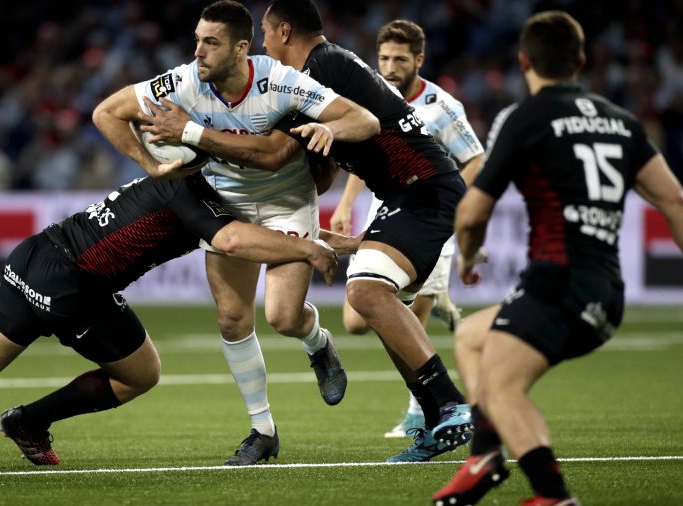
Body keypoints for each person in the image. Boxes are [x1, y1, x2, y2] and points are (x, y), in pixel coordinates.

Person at [141, 0, 474, 464]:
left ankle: (452, 403)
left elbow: (280, 151)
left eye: (263, 32)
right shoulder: (323, 73)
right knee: (378, 304)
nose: (262, 43)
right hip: (407, 197)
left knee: (365, 292)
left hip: (424, 191)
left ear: (281, 31)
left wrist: (192, 133)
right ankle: (436, 416)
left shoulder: (321, 67)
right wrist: (355, 238)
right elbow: (322, 167)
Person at [0, 174, 353, 470]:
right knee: (142, 374)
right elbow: (235, 241)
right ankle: (29, 420)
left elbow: (260, 231)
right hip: (76, 286)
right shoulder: (193, 191)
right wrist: (310, 249)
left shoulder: (179, 176)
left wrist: (333, 242)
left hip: (39, 254)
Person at [93, 0, 379, 466]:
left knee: (284, 317)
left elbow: (364, 120)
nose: (199, 52)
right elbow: (107, 112)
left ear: (242, 47)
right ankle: (262, 430)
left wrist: (331, 131)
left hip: (288, 201)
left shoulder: (280, 81)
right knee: (232, 319)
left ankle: (318, 343)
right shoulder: (185, 80)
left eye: (211, 42)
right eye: (197, 40)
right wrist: (152, 167)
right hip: (226, 204)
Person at [432, 11, 683, 506]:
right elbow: (674, 199)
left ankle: (553, 496)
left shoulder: (525, 117)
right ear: (582, 61)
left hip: (557, 283)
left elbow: (471, 211)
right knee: (471, 337)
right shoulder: (622, 121)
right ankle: (484, 455)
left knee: (501, 390)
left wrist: (465, 256)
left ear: (523, 60)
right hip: (605, 293)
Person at [329, 19, 485, 441]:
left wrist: (457, 212)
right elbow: (365, 154)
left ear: (418, 59)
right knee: (361, 317)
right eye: (384, 58)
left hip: (429, 213)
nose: (391, 67)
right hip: (387, 213)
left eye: (400, 59)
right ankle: (441, 314)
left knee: (396, 311)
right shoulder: (373, 98)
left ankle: (422, 411)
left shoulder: (441, 105)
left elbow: (474, 161)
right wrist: (345, 204)